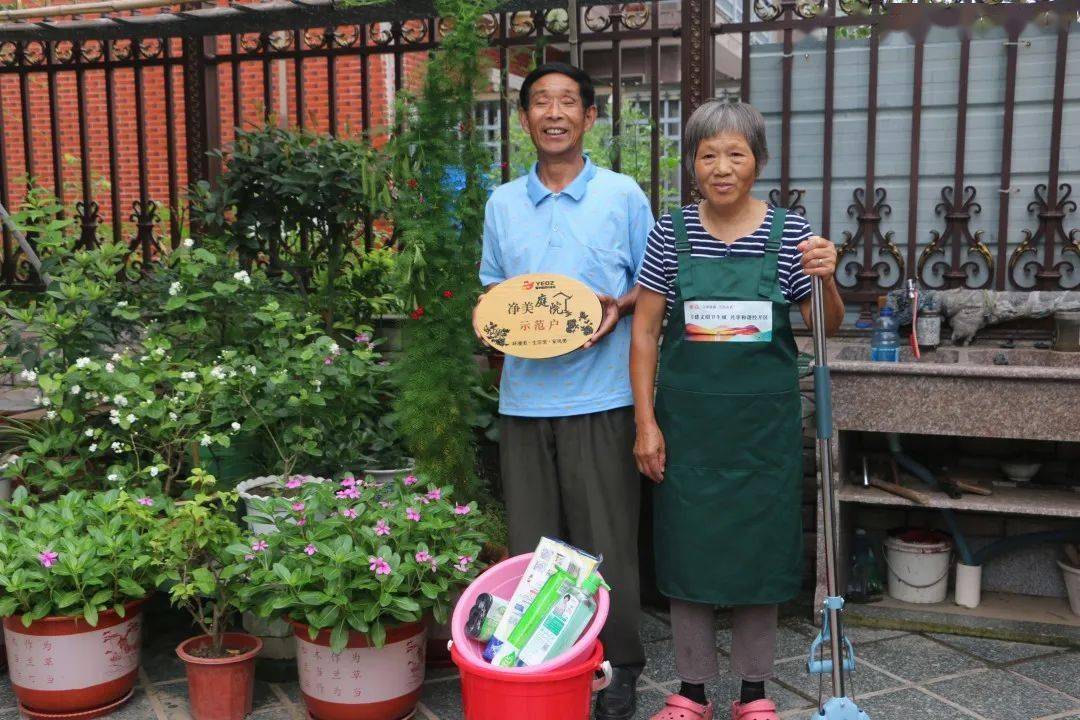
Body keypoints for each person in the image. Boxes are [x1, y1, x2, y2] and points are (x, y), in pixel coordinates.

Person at [630, 100, 844, 720]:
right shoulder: (670, 233)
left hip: (762, 431)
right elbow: (644, 334)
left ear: (758, 162)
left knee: (761, 552)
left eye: (736, 154)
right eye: (708, 155)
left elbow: (825, 326)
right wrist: (646, 422)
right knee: (687, 550)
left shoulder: (793, 233)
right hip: (689, 429)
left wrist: (827, 279)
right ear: (692, 164)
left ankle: (755, 692)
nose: (721, 168)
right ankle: (690, 691)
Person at [475, 63, 652, 719]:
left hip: (600, 398)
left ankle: (619, 665)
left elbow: (652, 286)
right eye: (540, 102)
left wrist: (617, 308)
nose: (554, 113)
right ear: (524, 120)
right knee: (536, 547)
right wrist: (497, 328)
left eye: (567, 102)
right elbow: (494, 289)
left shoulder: (622, 196)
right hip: (524, 402)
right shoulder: (502, 204)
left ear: (590, 116)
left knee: (606, 540)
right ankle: (545, 661)